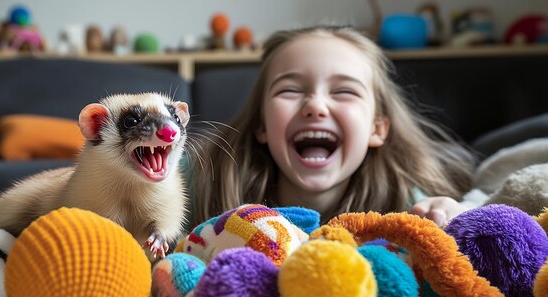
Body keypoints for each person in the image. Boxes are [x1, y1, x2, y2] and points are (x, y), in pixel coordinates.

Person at [189, 25, 473, 228]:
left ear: (377, 129)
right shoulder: (202, 176)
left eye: (344, 92)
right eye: (290, 90)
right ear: (261, 125)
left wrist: (451, 213)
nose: (316, 106)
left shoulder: (406, 198)